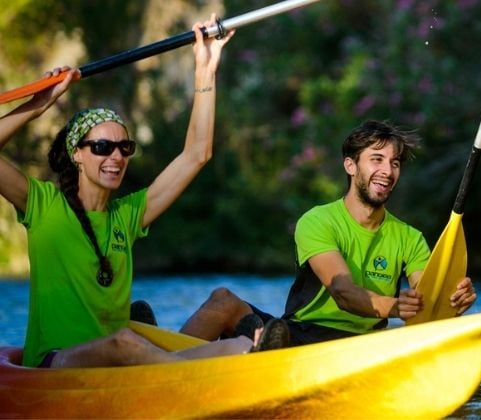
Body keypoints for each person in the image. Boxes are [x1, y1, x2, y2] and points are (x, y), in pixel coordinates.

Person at [0, 15, 287, 368]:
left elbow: (197, 154)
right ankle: (189, 373)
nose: (116, 156)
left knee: (236, 343)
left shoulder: (128, 214)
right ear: (77, 154)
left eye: (125, 148)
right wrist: (38, 105)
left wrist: (205, 70)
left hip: (116, 368)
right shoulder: (42, 205)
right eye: (103, 147)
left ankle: (251, 355)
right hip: (56, 365)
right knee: (123, 342)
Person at [177, 120, 477, 345]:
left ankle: (250, 344)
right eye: (377, 159)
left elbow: (427, 297)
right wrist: (396, 306)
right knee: (223, 299)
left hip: (364, 346)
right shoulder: (317, 221)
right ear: (350, 166)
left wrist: (452, 300)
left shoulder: (410, 238)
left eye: (394, 163)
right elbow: (343, 293)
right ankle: (164, 363)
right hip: (301, 337)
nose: (388, 170)